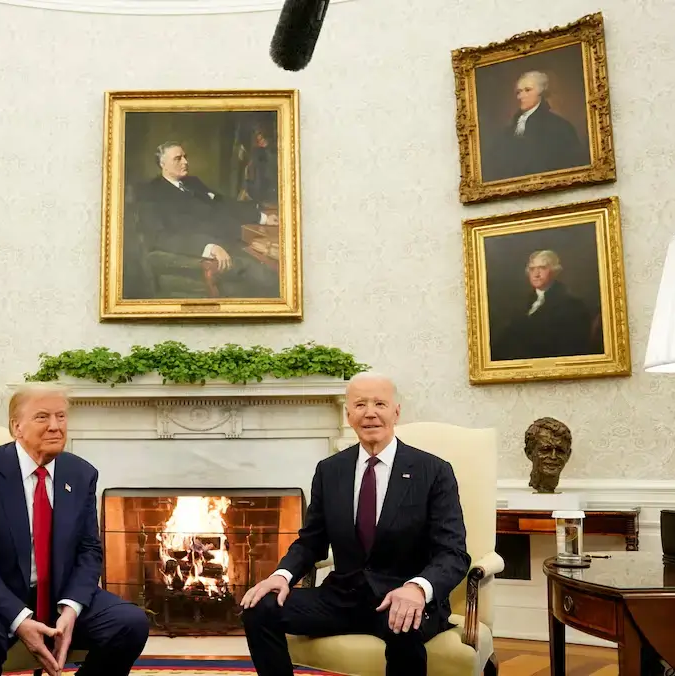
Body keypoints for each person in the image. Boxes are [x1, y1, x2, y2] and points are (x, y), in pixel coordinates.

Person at [240, 373, 469, 676]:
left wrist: (416, 588)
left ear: (396, 411)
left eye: (380, 404)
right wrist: (282, 575)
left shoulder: (433, 471)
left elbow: (453, 552)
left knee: (404, 624)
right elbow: (311, 541)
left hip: (401, 597)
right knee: (258, 610)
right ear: (348, 415)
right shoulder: (330, 470)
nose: (370, 412)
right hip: (342, 598)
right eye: (360, 404)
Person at [0, 385, 149, 676]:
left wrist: (71, 607)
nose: (55, 427)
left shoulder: (81, 473)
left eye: (61, 416)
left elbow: (89, 549)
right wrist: (19, 619)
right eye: (42, 417)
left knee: (130, 623)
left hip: (56, 594)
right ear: (16, 427)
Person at [134, 141, 281, 298]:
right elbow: (160, 237)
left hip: (232, 243)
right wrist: (209, 247)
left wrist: (262, 217)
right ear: (163, 164)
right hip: (202, 258)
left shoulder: (193, 183)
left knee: (274, 260)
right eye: (178, 159)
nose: (185, 162)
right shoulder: (150, 193)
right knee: (271, 277)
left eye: (185, 157)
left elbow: (223, 203)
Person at [482, 71, 591, 182]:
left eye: (527, 90)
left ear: (541, 92)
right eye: (519, 92)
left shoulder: (559, 126)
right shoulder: (509, 130)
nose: (521, 96)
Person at [490, 250, 596, 361]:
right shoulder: (521, 304)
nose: (536, 274)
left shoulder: (571, 305)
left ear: (554, 271)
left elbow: (571, 349)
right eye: (532, 269)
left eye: (542, 268)